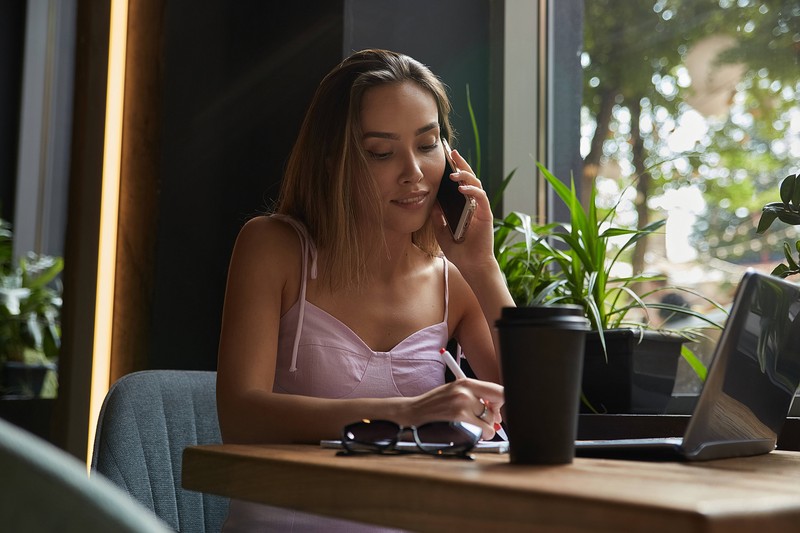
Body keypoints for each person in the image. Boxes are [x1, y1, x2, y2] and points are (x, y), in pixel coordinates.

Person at [216, 49, 514, 532]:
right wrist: (410, 413)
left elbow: (537, 411)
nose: (414, 173)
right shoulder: (274, 247)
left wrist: (483, 267)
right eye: (381, 152)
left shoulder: (452, 281)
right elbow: (241, 417)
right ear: (334, 160)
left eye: (427, 143)